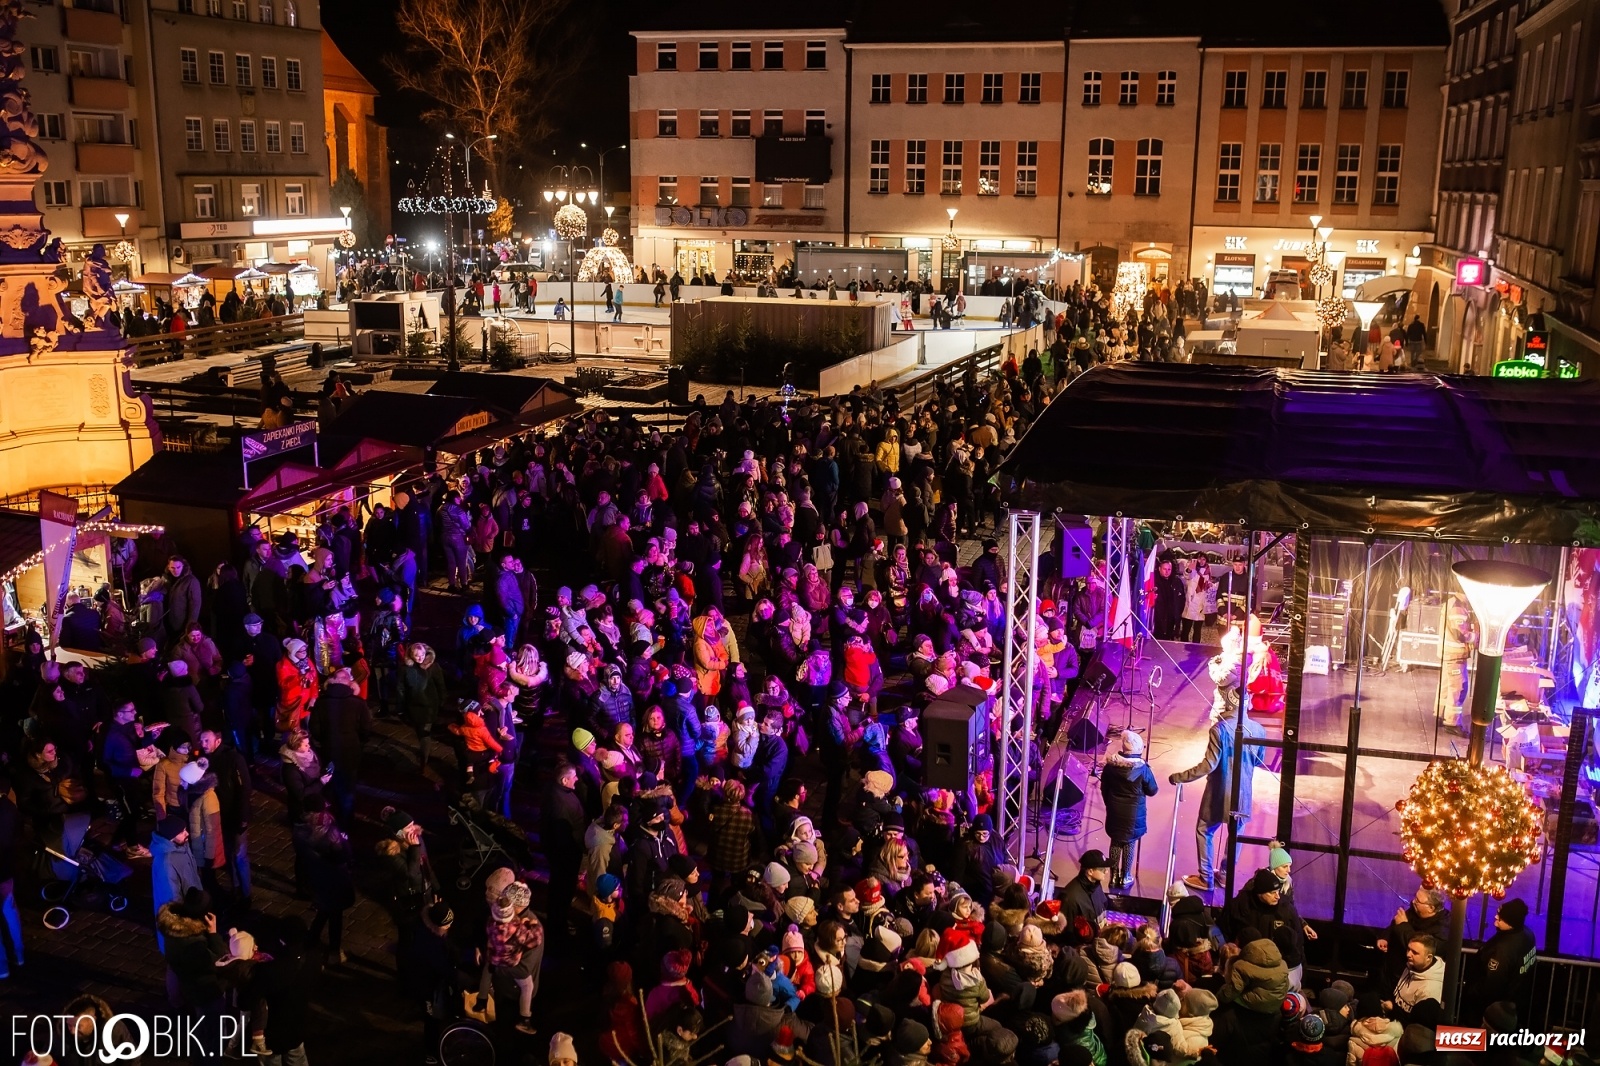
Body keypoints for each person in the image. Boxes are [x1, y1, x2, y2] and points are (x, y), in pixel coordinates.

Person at [1170, 629, 1267, 892]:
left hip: (1219, 792)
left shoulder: (1220, 730)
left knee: (1205, 829)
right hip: (1243, 794)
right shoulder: (1259, 730)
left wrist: (1180, 777)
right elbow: (1259, 761)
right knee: (1236, 835)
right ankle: (1225, 874)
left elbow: (1208, 765)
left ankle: (1206, 877)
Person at [1462, 898, 1536, 1024]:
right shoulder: (1527, 934)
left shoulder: (1502, 950)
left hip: (1490, 1009)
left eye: (1501, 918)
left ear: (1511, 923)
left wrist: (1470, 991)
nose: (1496, 918)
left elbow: (1492, 985)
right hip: (1513, 1003)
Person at [1100, 731, 1158, 891]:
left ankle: (1113, 876)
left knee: (1115, 841)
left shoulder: (1110, 766)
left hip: (1114, 810)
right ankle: (1126, 876)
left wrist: (1109, 804)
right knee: (1129, 843)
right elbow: (1152, 790)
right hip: (1134, 814)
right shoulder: (1143, 769)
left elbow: (1104, 788)